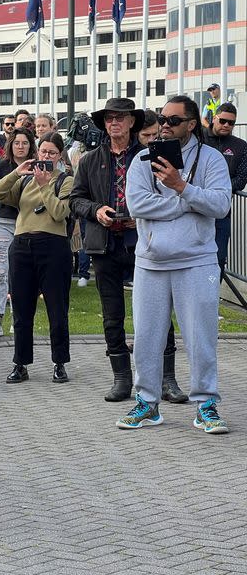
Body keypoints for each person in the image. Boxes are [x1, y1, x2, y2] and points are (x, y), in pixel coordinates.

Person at [117, 95, 231, 433]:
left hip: (197, 261)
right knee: (148, 336)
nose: (164, 125)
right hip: (151, 261)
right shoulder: (141, 159)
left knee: (201, 336)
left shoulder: (211, 159)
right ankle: (147, 403)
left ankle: (206, 404)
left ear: (191, 124)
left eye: (173, 121)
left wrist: (180, 186)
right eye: (162, 119)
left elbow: (221, 204)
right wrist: (187, 201)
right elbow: (137, 205)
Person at [70, 98, 183, 403]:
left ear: (133, 122)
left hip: (144, 242)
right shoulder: (91, 159)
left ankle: (166, 379)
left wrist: (144, 213)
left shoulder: (150, 155)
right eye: (109, 118)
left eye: (120, 118)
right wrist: (96, 211)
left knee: (159, 311)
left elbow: (171, 194)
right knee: (112, 315)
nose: (114, 123)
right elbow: (75, 199)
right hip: (104, 245)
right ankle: (122, 378)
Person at [0, 132, 73, 385]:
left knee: (57, 308)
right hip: (22, 246)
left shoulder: (66, 180)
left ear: (59, 156)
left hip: (53, 246)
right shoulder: (26, 180)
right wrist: (18, 172)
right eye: (42, 152)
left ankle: (59, 363)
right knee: (22, 310)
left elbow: (60, 212)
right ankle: (20, 363)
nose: (45, 156)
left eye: (51, 153)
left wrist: (45, 185)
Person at [0, 127, 36, 338]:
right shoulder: (0, 167)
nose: (20, 146)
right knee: (0, 273)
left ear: (31, 145)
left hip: (26, 225)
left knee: (21, 276)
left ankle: (18, 320)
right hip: (1, 223)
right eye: (17, 143)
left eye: (24, 143)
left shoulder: (35, 167)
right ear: (10, 145)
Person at [203, 102, 247, 281]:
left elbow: (242, 179)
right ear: (214, 118)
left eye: (231, 123)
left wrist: (218, 190)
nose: (226, 125)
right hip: (193, 209)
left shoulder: (241, 146)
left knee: (219, 258)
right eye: (223, 121)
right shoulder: (197, 139)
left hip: (222, 213)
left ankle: (213, 299)